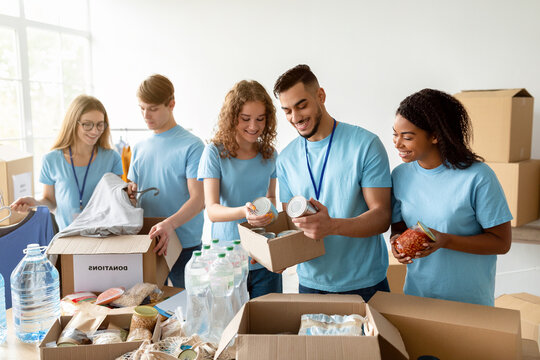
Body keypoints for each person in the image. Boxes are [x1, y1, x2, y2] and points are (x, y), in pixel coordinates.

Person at [274, 64, 392, 301]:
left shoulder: (365, 145)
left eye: (302, 105)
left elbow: (382, 217)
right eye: (287, 111)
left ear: (321, 96)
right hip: (310, 284)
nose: (295, 118)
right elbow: (291, 221)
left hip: (365, 284)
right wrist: (275, 251)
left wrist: (332, 226)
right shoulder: (286, 158)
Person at [390, 88, 512, 306]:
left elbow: (502, 243)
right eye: (395, 134)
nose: (397, 143)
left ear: (435, 135)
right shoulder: (400, 176)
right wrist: (396, 243)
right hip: (418, 298)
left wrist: (445, 241)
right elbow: (399, 226)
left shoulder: (478, 177)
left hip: (469, 303)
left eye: (407, 137)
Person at [197, 80, 282, 298]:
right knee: (230, 328)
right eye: (245, 119)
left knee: (268, 327)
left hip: (264, 257)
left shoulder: (270, 154)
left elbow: (271, 197)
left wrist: (269, 214)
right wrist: (245, 212)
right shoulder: (214, 153)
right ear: (232, 117)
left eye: (260, 119)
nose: (253, 126)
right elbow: (212, 210)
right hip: (228, 261)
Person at [127, 74, 205, 288]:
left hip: (183, 245)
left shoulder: (192, 146)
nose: (145, 115)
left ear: (171, 104)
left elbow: (200, 200)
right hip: (148, 242)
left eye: (152, 108)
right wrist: (129, 193)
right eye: (141, 108)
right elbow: (133, 194)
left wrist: (169, 224)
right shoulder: (139, 147)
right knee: (149, 312)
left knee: (189, 310)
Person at [11, 95, 122, 230]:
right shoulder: (51, 160)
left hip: (104, 236)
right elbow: (51, 202)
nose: (95, 131)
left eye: (100, 125)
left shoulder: (112, 158)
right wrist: (34, 203)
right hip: (67, 239)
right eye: (87, 124)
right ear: (73, 123)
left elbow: (117, 201)